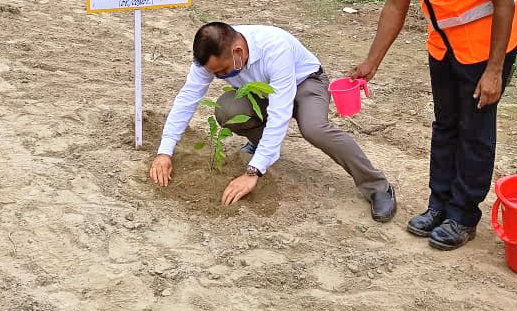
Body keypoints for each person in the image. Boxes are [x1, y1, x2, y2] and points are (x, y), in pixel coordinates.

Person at [351, 0, 517, 249]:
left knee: (474, 131)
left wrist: (494, 70)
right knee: (446, 123)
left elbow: (504, 3)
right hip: (444, 44)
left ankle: (463, 214)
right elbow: (396, 4)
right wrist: (371, 62)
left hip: (488, 46)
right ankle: (439, 203)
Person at [150, 22, 397, 220]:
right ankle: (263, 149)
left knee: (314, 128)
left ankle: (377, 186)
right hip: (263, 92)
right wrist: (165, 151)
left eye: (222, 72)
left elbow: (280, 113)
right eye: (213, 73)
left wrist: (253, 171)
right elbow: (187, 99)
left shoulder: (274, 47)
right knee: (227, 109)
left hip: (306, 83)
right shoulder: (210, 58)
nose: (218, 77)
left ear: (237, 52)